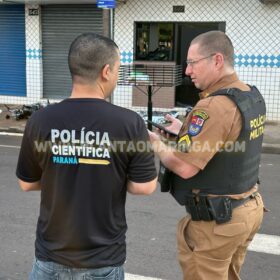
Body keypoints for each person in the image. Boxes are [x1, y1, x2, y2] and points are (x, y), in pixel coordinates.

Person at [16, 33, 157, 280]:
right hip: (102, 260)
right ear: (106, 71)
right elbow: (143, 187)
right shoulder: (129, 123)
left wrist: (58, 174)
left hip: (50, 258)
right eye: (117, 69)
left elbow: (27, 183)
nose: (116, 75)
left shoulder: (40, 120)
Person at [149, 31, 266, 280]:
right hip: (247, 207)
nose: (187, 71)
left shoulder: (213, 106)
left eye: (192, 63)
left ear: (217, 60)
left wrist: (156, 143)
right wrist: (179, 136)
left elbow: (184, 168)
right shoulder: (249, 96)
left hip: (219, 221)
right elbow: (225, 144)